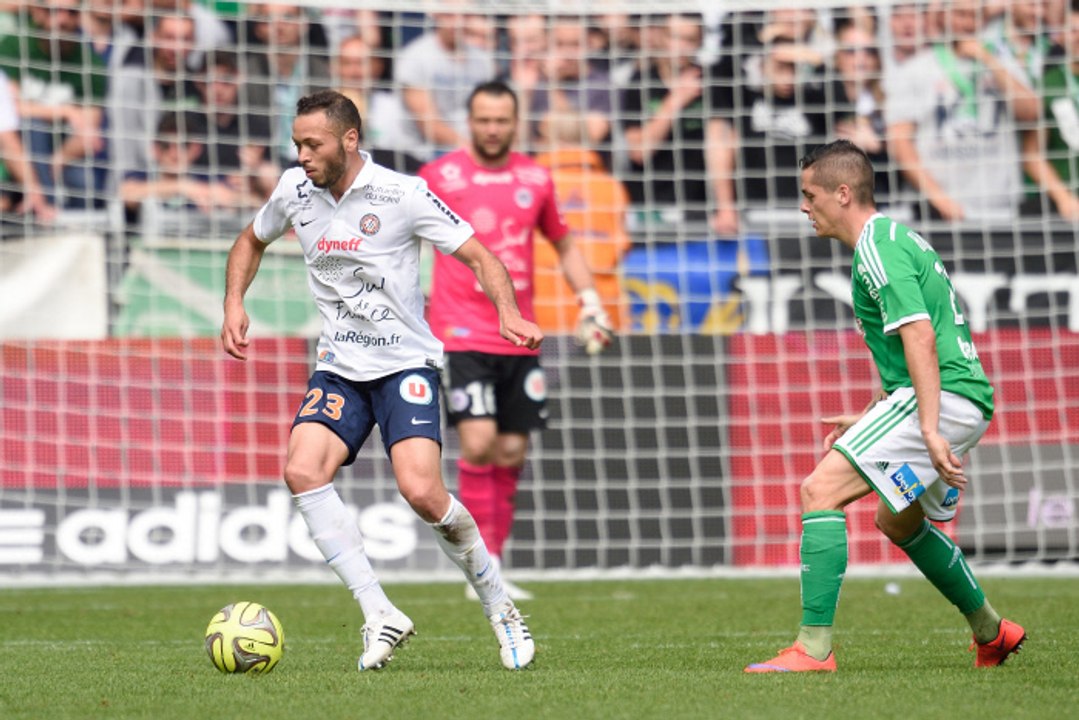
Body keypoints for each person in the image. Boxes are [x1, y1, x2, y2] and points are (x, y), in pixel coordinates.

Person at [221, 89, 537, 671]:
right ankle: (379, 613)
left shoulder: (404, 194)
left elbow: (480, 257)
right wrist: (234, 301)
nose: (302, 156)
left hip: (404, 365)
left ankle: (500, 607)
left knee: (422, 491)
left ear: (349, 140)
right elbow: (250, 239)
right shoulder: (294, 190)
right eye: (296, 145)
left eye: (312, 145)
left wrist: (507, 312)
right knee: (300, 469)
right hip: (340, 366)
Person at [745, 139, 1026, 673]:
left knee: (818, 490)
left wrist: (925, 426)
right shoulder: (890, 241)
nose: (804, 207)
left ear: (842, 193)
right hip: (954, 399)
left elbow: (920, 335)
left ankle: (813, 649)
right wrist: (877, 411)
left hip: (945, 402)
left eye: (809, 195)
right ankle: (992, 632)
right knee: (898, 521)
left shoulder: (877, 246)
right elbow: (908, 348)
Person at [420, 81, 613, 601]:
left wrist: (590, 301)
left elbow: (564, 243)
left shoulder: (536, 177)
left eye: (501, 120)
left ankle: (494, 564)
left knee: (510, 450)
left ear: (516, 121)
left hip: (520, 335)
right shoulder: (439, 176)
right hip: (460, 333)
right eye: (483, 119)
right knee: (478, 442)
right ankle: (476, 566)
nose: (491, 129)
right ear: (470, 119)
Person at [885, 0, 1039, 222]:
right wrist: (939, 199)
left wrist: (988, 59)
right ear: (942, 16)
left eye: (974, 15)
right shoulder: (916, 69)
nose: (967, 23)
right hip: (940, 210)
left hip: (1000, 207)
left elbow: (1031, 113)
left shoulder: (1003, 62)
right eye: (960, 14)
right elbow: (900, 142)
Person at [1022, 0, 1079, 220]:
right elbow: (1032, 155)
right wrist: (1063, 197)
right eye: (1073, 30)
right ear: (1060, 35)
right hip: (1066, 207)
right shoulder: (1047, 84)